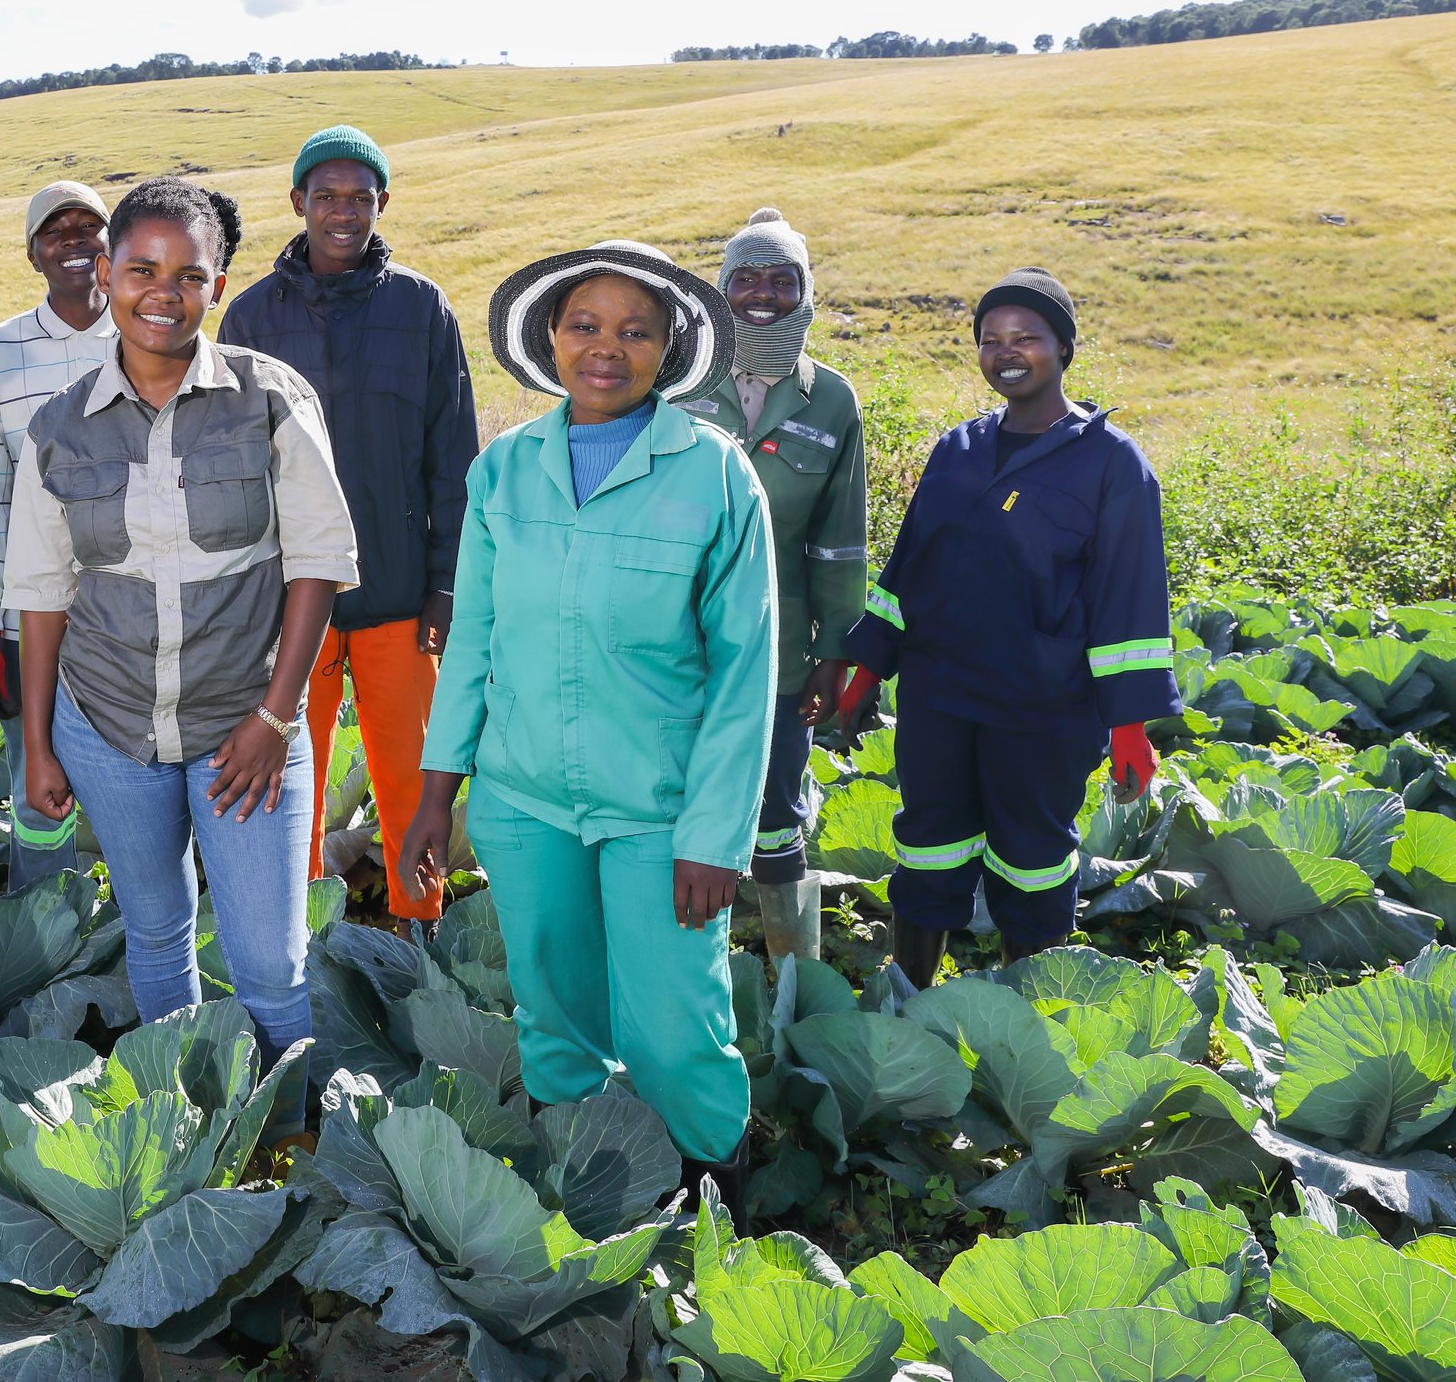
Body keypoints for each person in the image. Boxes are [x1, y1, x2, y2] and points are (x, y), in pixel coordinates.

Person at [397, 240, 774, 1191]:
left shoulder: (714, 475)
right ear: (551, 340)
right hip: (525, 802)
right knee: (553, 1016)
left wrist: (715, 836)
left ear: (668, 347)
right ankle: (588, 1183)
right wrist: (436, 797)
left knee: (674, 1025)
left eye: (633, 331)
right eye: (584, 326)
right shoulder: (505, 470)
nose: (605, 349)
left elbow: (743, 674)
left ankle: (712, 1199)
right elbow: (473, 640)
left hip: (660, 812)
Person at [5, 177, 358, 1142]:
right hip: (109, 724)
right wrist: (38, 744)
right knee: (157, 931)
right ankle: (190, 1123)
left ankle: (287, 1140)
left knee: (270, 962)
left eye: (188, 275)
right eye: (140, 270)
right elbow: (40, 595)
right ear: (106, 274)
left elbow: (319, 567)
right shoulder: (58, 426)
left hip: (244, 727)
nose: (162, 291)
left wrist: (275, 719)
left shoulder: (271, 400)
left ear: (219, 285)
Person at [837, 268, 1177, 988]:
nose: (1006, 352)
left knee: (1032, 858)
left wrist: (1129, 725)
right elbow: (907, 570)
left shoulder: (1114, 464)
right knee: (928, 845)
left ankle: (1031, 1012)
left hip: (1042, 707)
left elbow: (1130, 601)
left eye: (1026, 337)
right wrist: (867, 666)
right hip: (939, 696)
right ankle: (910, 998)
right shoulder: (958, 450)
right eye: (991, 340)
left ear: (1064, 347)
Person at [217, 126, 478, 928]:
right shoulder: (253, 315)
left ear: (382, 204)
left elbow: (453, 456)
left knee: (412, 774)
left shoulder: (421, 308)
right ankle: (294, 935)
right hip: (294, 600)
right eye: (324, 195)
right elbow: (233, 463)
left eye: (359, 197)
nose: (342, 211)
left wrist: (445, 584)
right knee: (293, 774)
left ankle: (419, 928)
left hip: (401, 591)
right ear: (297, 202)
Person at [678, 208, 867, 962]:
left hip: (782, 650)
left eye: (781, 280)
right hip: (675, 641)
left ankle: (791, 984)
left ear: (806, 292)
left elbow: (839, 542)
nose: (763, 295)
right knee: (678, 805)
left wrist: (834, 650)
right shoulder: (680, 381)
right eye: (745, 280)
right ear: (721, 293)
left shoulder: (832, 401)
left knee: (777, 811)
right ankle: (691, 968)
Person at [0, 180, 118, 887]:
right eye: (57, 230)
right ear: (33, 253)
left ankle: (135, 935)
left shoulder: (155, 329)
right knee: (37, 776)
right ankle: (44, 918)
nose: (76, 240)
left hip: (138, 612)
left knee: (141, 784)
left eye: (91, 226)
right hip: (36, 614)